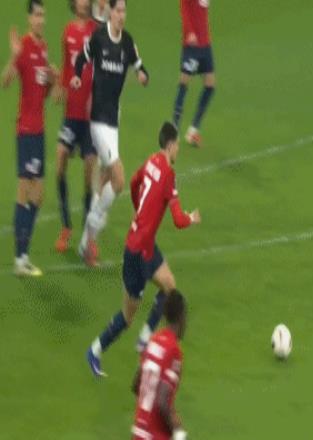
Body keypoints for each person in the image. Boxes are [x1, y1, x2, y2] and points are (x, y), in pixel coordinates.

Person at [86, 122, 201, 377]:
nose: (178, 149)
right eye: (177, 145)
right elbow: (178, 220)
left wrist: (139, 209)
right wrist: (192, 218)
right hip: (137, 254)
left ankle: (145, 337)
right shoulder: (168, 174)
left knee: (169, 285)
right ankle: (95, 350)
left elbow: (135, 182)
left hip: (144, 245)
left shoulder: (151, 161)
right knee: (127, 317)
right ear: (170, 145)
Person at [71, 0, 149, 266]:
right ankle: (94, 220)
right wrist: (77, 76)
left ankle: (85, 244)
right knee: (118, 179)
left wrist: (143, 76)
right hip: (97, 122)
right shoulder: (99, 38)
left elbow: (140, 66)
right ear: (110, 13)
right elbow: (81, 58)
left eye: (125, 11)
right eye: (118, 11)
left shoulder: (127, 42)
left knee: (104, 179)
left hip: (114, 122)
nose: (122, 15)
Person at [1, 0, 58, 276]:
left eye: (43, 15)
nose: (41, 19)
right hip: (25, 130)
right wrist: (13, 57)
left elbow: (42, 92)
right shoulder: (23, 46)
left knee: (38, 194)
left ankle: (23, 254)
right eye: (37, 15)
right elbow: (5, 82)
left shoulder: (43, 47)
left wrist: (51, 81)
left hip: (39, 130)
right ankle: (19, 258)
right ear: (29, 19)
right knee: (24, 191)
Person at [54, 0, 98, 253]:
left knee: (89, 171)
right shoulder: (68, 32)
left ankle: (87, 234)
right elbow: (66, 67)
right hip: (71, 114)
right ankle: (66, 226)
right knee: (60, 160)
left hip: (90, 118)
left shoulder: (96, 31)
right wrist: (60, 87)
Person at [131, 290, 188, 440]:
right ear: (182, 317)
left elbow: (136, 385)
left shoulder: (153, 341)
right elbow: (162, 402)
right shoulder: (174, 351)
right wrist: (178, 430)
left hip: (139, 432)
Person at [172, 0, 215, 147]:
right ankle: (175, 129)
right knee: (184, 83)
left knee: (210, 85)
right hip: (192, 45)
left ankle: (193, 130)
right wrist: (189, 31)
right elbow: (184, 7)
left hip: (205, 44)